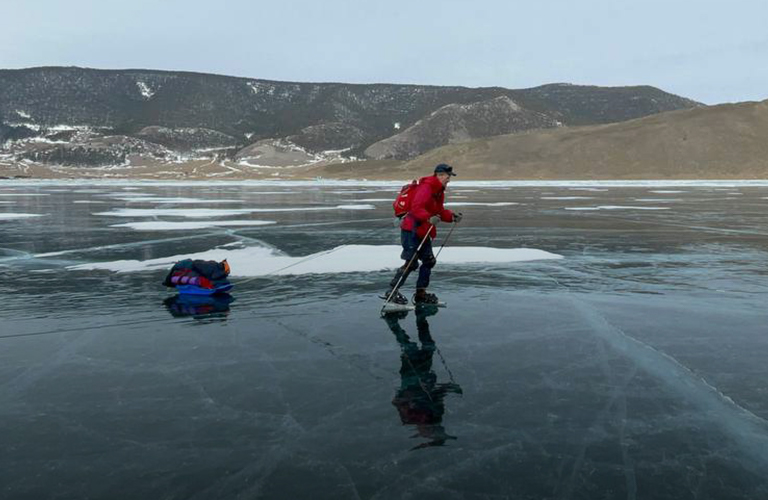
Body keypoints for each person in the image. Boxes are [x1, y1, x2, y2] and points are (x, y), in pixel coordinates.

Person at [384, 163, 463, 305]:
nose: (449, 180)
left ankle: (421, 294)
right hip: (411, 230)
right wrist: (428, 217)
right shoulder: (426, 188)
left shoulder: (438, 191)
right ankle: (391, 292)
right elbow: (416, 208)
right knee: (411, 262)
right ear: (440, 175)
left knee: (429, 261)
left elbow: (439, 211)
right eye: (448, 176)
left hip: (424, 230)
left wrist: (451, 216)